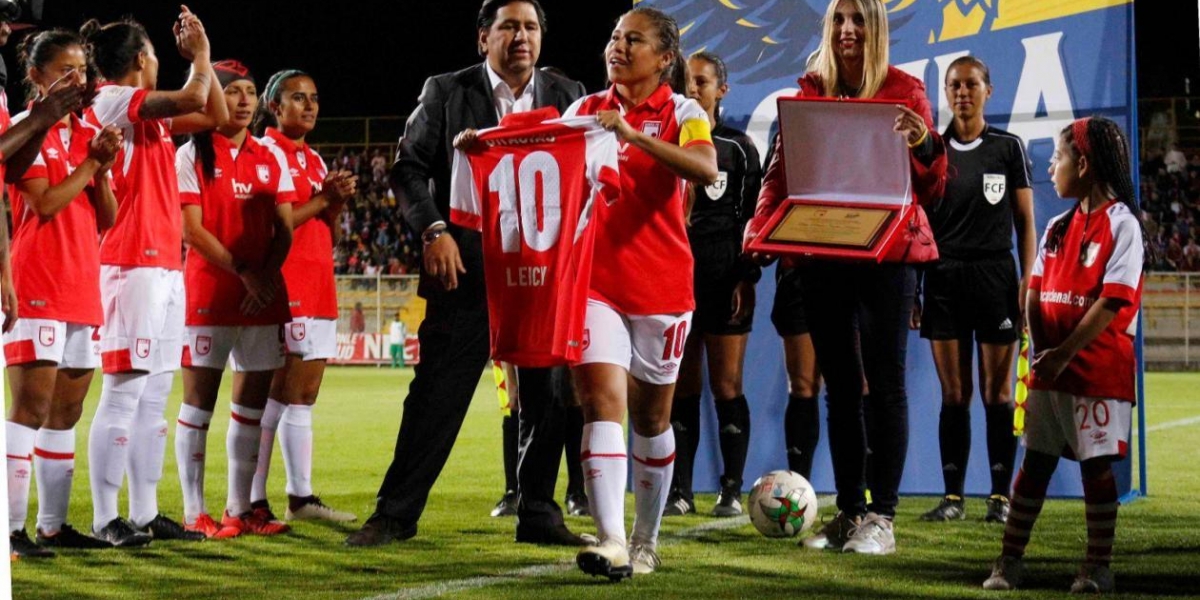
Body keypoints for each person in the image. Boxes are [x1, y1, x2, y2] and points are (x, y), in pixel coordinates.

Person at [346, 0, 589, 547]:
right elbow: (407, 167)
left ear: (541, 39)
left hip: (541, 276)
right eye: (509, 27)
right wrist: (434, 230)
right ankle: (395, 514)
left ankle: (540, 515)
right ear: (484, 38)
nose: (521, 37)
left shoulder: (568, 95)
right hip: (466, 270)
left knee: (546, 398)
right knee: (437, 393)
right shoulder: (446, 90)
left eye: (530, 27)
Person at [744, 0, 948, 555]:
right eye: (839, 19)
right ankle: (850, 513)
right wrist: (761, 227)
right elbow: (781, 171)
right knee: (839, 391)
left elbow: (931, 186)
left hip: (890, 255)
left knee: (884, 385)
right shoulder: (808, 89)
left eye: (858, 19)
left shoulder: (906, 91)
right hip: (824, 251)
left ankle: (882, 516)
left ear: (876, 27)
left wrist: (924, 144)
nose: (848, 29)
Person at [566, 7, 718, 578]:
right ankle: (611, 542)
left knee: (652, 419)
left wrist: (632, 135)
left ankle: (646, 538)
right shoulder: (583, 110)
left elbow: (704, 168)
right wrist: (482, 144)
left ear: (665, 58)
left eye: (634, 40)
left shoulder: (686, 112)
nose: (618, 47)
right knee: (601, 400)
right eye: (613, 37)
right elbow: (542, 154)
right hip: (595, 282)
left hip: (661, 287)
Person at [81, 8, 229, 546]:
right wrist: (202, 54)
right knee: (123, 393)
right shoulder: (112, 100)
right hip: (131, 261)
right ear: (142, 58)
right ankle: (105, 518)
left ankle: (144, 512)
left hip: (163, 263)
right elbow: (194, 98)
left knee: (153, 395)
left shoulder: (149, 115)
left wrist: (202, 60)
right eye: (155, 53)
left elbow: (211, 114)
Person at [983, 116, 1146, 594]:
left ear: (1086, 163)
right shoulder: (1057, 225)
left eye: (1059, 157)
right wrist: (1037, 342)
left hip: (1094, 370)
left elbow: (1112, 301)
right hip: (1048, 369)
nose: (1051, 166)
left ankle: (1097, 567)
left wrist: (1064, 353)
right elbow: (1033, 290)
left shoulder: (1124, 226)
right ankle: (1008, 561)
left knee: (1096, 467)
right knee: (1034, 462)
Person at [3, 29, 120, 558]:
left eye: (81, 70)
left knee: (65, 414)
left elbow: (109, 218)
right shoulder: (28, 131)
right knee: (29, 409)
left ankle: (51, 524)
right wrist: (92, 165)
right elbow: (45, 204)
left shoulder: (85, 130)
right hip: (39, 283)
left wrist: (104, 170)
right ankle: (10, 529)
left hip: (80, 285)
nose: (77, 80)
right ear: (35, 77)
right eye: (63, 71)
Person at [172, 60, 296, 539]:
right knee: (198, 406)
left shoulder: (271, 155)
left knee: (251, 407)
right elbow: (191, 230)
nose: (244, 101)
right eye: (234, 93)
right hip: (212, 293)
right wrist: (246, 273)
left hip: (261, 295)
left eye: (249, 92)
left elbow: (284, 227)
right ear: (212, 101)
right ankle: (192, 513)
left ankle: (238, 509)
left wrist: (263, 276)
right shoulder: (191, 153)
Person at [914, 56, 1035, 525]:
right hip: (942, 278)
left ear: (989, 90)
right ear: (945, 93)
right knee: (954, 395)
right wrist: (917, 291)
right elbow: (919, 223)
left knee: (997, 393)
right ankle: (953, 498)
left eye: (971, 84)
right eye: (953, 85)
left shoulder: (1008, 147)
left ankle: (1000, 498)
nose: (962, 92)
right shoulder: (932, 148)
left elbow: (1025, 221)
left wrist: (1028, 281)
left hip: (995, 278)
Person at [250, 69, 357, 524]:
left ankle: (287, 498)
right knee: (287, 393)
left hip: (317, 283)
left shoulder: (312, 159)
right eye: (298, 98)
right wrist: (323, 199)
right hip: (289, 285)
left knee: (297, 395)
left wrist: (334, 203)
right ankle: (272, 498)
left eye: (313, 98)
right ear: (275, 107)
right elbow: (280, 222)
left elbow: (320, 228)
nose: (310, 105)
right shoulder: (267, 152)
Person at [664, 51, 762, 518]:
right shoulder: (666, 139)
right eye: (686, 82)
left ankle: (731, 489)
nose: (692, 90)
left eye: (701, 82)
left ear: (721, 89)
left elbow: (751, 221)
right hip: (675, 275)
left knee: (727, 384)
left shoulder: (739, 148)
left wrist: (747, 275)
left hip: (723, 275)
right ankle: (679, 490)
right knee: (682, 386)